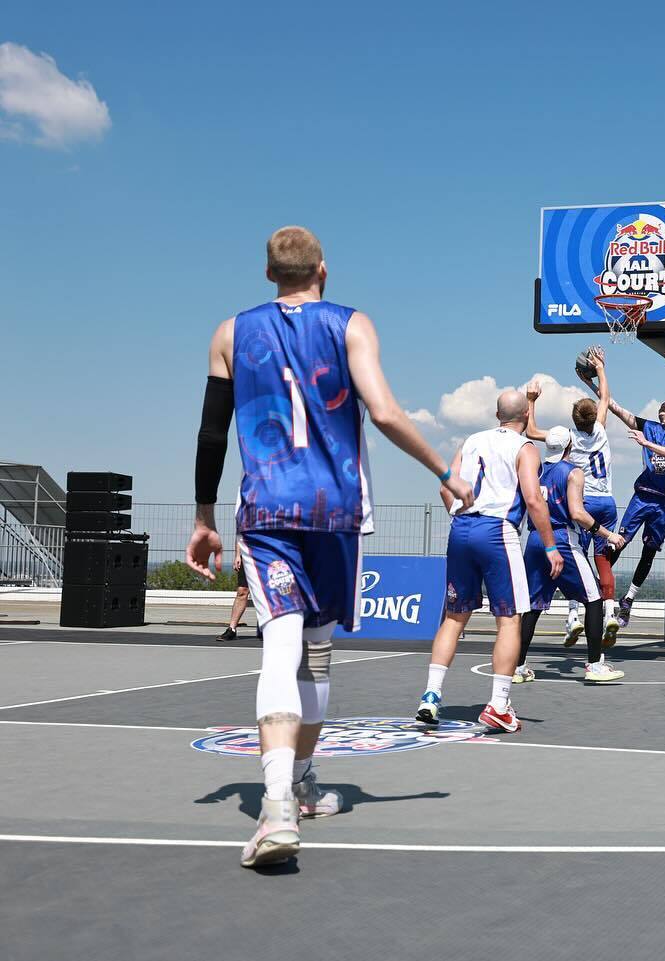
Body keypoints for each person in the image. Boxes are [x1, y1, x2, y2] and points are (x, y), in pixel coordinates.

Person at [186, 226, 473, 869]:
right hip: (336, 509)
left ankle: (281, 799)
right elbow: (387, 413)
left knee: (281, 647)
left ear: (268, 275)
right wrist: (444, 473)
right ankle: (297, 786)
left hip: (266, 510)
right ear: (323, 269)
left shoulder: (230, 333)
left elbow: (211, 432)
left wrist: (203, 514)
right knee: (315, 653)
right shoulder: (352, 325)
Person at [414, 390, 562, 732]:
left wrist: (459, 512)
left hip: (461, 527)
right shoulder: (525, 448)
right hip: (497, 531)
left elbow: (444, 486)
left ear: (497, 414)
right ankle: (498, 703)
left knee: (453, 619)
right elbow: (533, 498)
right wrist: (551, 546)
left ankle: (431, 696)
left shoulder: (472, 440)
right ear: (526, 415)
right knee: (509, 619)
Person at [514, 426, 627, 683]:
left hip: (534, 540)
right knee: (594, 599)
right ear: (569, 447)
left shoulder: (536, 471)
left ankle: (517, 667)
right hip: (562, 538)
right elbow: (576, 513)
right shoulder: (573, 472)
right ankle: (595, 664)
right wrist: (607, 534)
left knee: (532, 606)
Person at [581, 375, 665, 629]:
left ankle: (628, 598)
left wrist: (647, 444)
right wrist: (591, 384)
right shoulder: (648, 426)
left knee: (649, 551)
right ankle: (603, 594)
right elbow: (613, 406)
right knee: (618, 541)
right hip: (644, 494)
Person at [524, 349, 620, 645]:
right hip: (608, 502)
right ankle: (610, 609)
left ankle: (574, 615)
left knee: (577, 559)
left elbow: (530, 430)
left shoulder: (569, 438)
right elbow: (604, 399)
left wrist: (531, 401)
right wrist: (601, 369)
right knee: (603, 559)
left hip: (585, 504)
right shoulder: (601, 430)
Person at [216, 541, 250, 642]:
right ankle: (232, 629)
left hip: (269, 555)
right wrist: (238, 555)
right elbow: (240, 535)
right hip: (248, 556)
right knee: (242, 591)